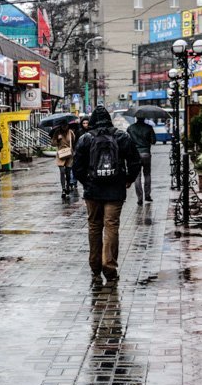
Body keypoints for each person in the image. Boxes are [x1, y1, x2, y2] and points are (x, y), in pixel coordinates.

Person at [73, 107, 142, 285]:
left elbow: (77, 167)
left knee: (95, 226)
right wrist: (128, 180)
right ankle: (109, 267)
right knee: (111, 226)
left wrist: (86, 183)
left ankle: (95, 266)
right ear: (109, 120)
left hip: (93, 191)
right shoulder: (121, 137)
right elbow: (135, 161)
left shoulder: (85, 139)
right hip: (115, 190)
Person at [126, 117, 157, 205]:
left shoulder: (130, 128)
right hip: (146, 153)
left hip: (135, 154)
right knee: (147, 174)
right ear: (144, 118)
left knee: (137, 176)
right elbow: (153, 141)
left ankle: (139, 198)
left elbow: (127, 141)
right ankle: (147, 195)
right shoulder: (148, 127)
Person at [51, 123, 75, 199]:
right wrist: (58, 140)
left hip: (69, 155)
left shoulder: (70, 132)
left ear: (68, 125)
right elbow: (53, 143)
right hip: (60, 155)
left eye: (66, 125)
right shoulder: (57, 132)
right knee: (62, 171)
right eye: (63, 125)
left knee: (68, 173)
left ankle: (68, 186)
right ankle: (63, 189)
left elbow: (74, 141)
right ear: (60, 125)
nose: (64, 126)